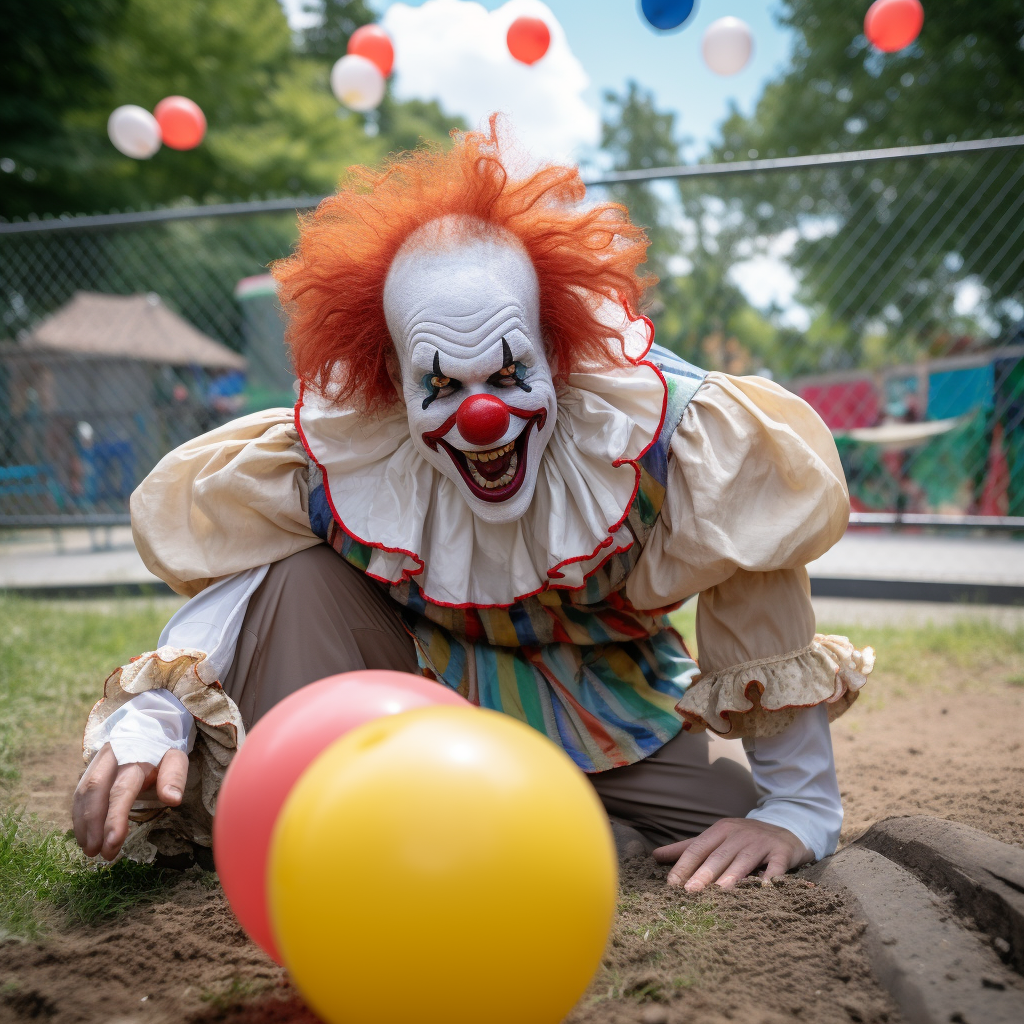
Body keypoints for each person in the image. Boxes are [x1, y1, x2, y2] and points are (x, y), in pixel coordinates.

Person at [72, 118, 873, 891]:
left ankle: (544, 826)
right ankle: (345, 823)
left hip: (607, 699)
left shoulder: (666, 431)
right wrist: (155, 715)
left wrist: (796, 810)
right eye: (442, 384)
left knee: (722, 823)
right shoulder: (347, 448)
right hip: (419, 686)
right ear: (394, 377)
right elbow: (246, 584)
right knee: (297, 578)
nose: (481, 416)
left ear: (553, 351)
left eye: (507, 373)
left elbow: (756, 572)